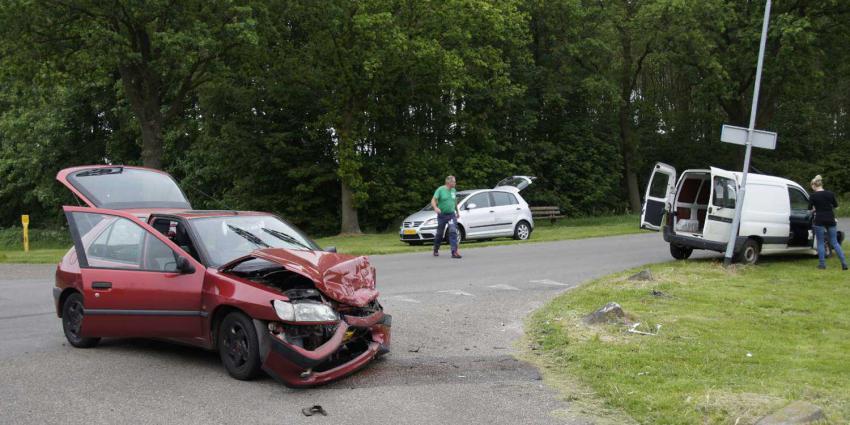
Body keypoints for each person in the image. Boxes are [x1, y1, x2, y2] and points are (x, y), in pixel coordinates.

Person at [808, 175, 847, 270]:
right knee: (834, 242)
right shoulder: (830, 194)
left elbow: (810, 209)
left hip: (819, 219)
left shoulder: (813, 196)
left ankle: (822, 264)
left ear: (814, 185)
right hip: (830, 218)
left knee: (820, 242)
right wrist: (828, 207)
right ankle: (844, 263)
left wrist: (815, 209)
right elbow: (836, 207)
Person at [431, 175, 462, 259]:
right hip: (442, 215)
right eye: (454, 181)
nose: (455, 183)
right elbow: (433, 200)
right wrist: (435, 207)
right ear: (449, 182)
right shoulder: (440, 190)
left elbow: (454, 201)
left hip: (451, 215)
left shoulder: (453, 190)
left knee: (452, 231)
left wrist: (457, 211)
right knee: (440, 234)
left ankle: (454, 252)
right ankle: (436, 249)